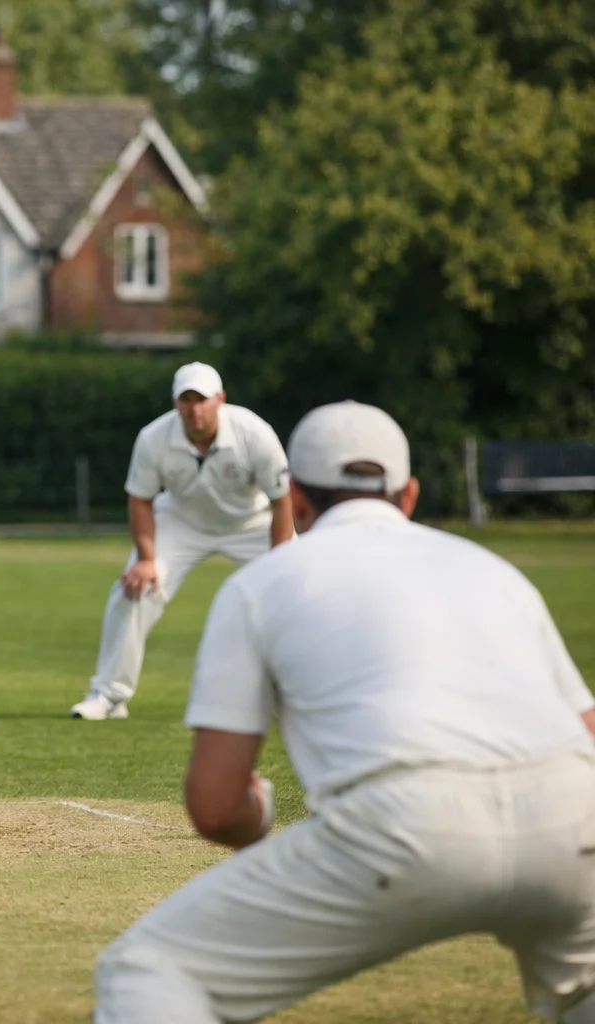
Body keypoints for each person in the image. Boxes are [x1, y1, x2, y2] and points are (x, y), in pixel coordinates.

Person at [93, 400, 595, 1022]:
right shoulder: (496, 570)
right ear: (408, 495)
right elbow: (586, 731)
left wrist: (258, 817)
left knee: (147, 970)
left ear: (296, 498)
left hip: (404, 826)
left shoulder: (261, 584)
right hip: (576, 820)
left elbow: (216, 806)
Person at [71, 362, 293, 720]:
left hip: (251, 522)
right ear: (175, 403)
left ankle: (299, 692)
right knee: (133, 589)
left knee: (296, 591)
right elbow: (140, 499)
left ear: (220, 399)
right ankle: (109, 695)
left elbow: (282, 499)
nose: (195, 409)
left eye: (202, 399)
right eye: (186, 400)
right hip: (181, 522)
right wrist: (146, 558)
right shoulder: (153, 438)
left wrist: (282, 562)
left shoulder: (254, 433)